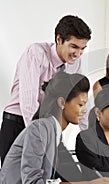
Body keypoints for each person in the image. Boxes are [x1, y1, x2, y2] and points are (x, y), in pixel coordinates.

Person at [0, 72, 109, 184]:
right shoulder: (40, 129)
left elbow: (72, 177)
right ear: (62, 102)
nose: (84, 110)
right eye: (80, 105)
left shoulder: (55, 133)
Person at [0, 14, 92, 165]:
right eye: (74, 46)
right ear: (58, 39)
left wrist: (90, 136)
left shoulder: (75, 63)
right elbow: (29, 103)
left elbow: (81, 99)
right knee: (13, 183)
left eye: (82, 48)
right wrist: (40, 137)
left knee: (49, 180)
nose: (78, 54)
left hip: (47, 125)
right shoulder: (36, 53)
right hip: (18, 122)